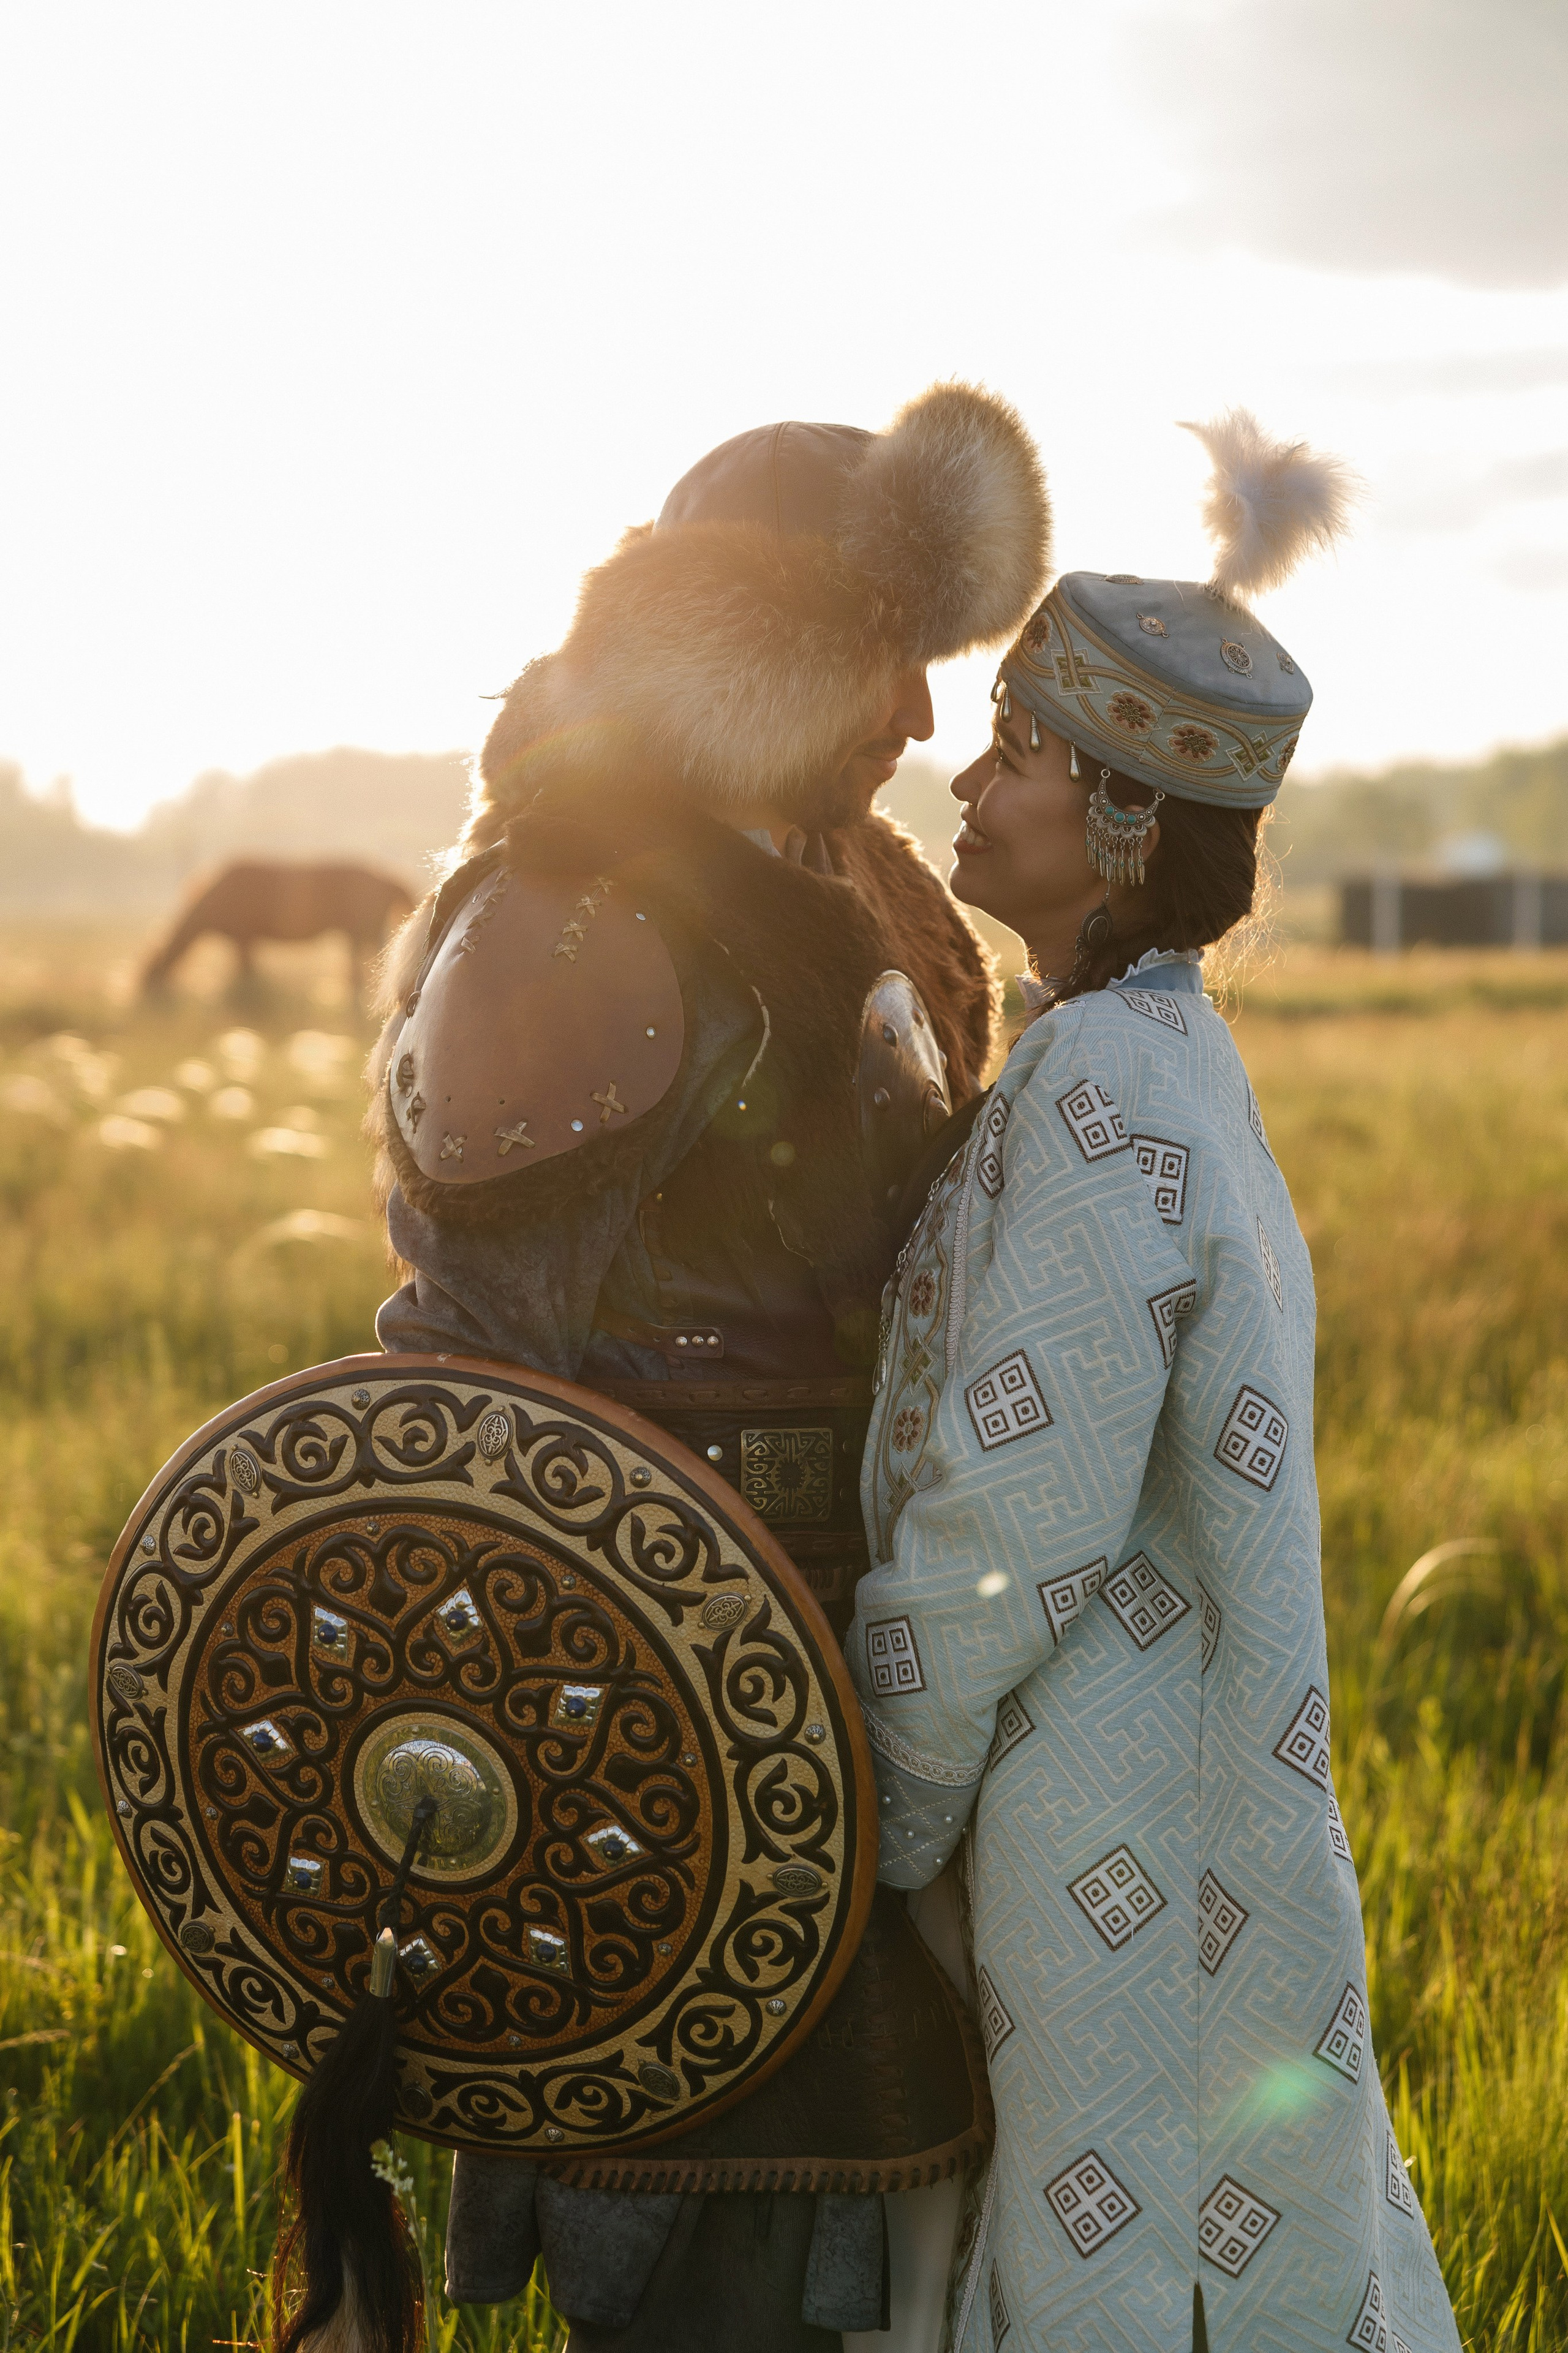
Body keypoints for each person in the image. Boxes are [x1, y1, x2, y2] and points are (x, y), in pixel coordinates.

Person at [367, 385, 1052, 2352]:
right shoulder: (569, 920)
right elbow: (467, 1397)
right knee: (711, 2284)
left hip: (891, 1674)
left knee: (904, 2272)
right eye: (877, 663)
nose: (921, 722)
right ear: (739, 657)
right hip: (663, 1703)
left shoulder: (875, 894)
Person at [848, 414, 1462, 2352]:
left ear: (1122, 818)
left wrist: (879, 1794)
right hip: (1176, 1799)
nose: (967, 775)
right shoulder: (1147, 1060)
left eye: (1016, 752)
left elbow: (1014, 1516)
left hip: (1109, 1831)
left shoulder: (1104, 1086)